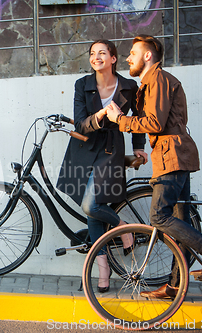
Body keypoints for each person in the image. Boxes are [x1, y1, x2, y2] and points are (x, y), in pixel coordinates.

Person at [106, 35, 202, 299]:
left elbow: (153, 122)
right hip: (173, 155)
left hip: (171, 156)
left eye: (132, 53)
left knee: (158, 217)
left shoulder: (159, 80)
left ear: (148, 56)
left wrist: (120, 119)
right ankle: (176, 285)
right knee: (180, 221)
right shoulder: (151, 83)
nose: (128, 58)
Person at [57, 39, 147, 293]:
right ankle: (103, 267)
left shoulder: (130, 86)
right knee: (92, 210)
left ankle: (122, 228)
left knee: (91, 204)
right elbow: (81, 125)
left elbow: (137, 118)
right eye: (92, 54)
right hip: (84, 150)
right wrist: (99, 116)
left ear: (113, 58)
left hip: (110, 150)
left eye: (102, 53)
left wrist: (139, 145)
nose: (96, 57)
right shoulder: (82, 85)